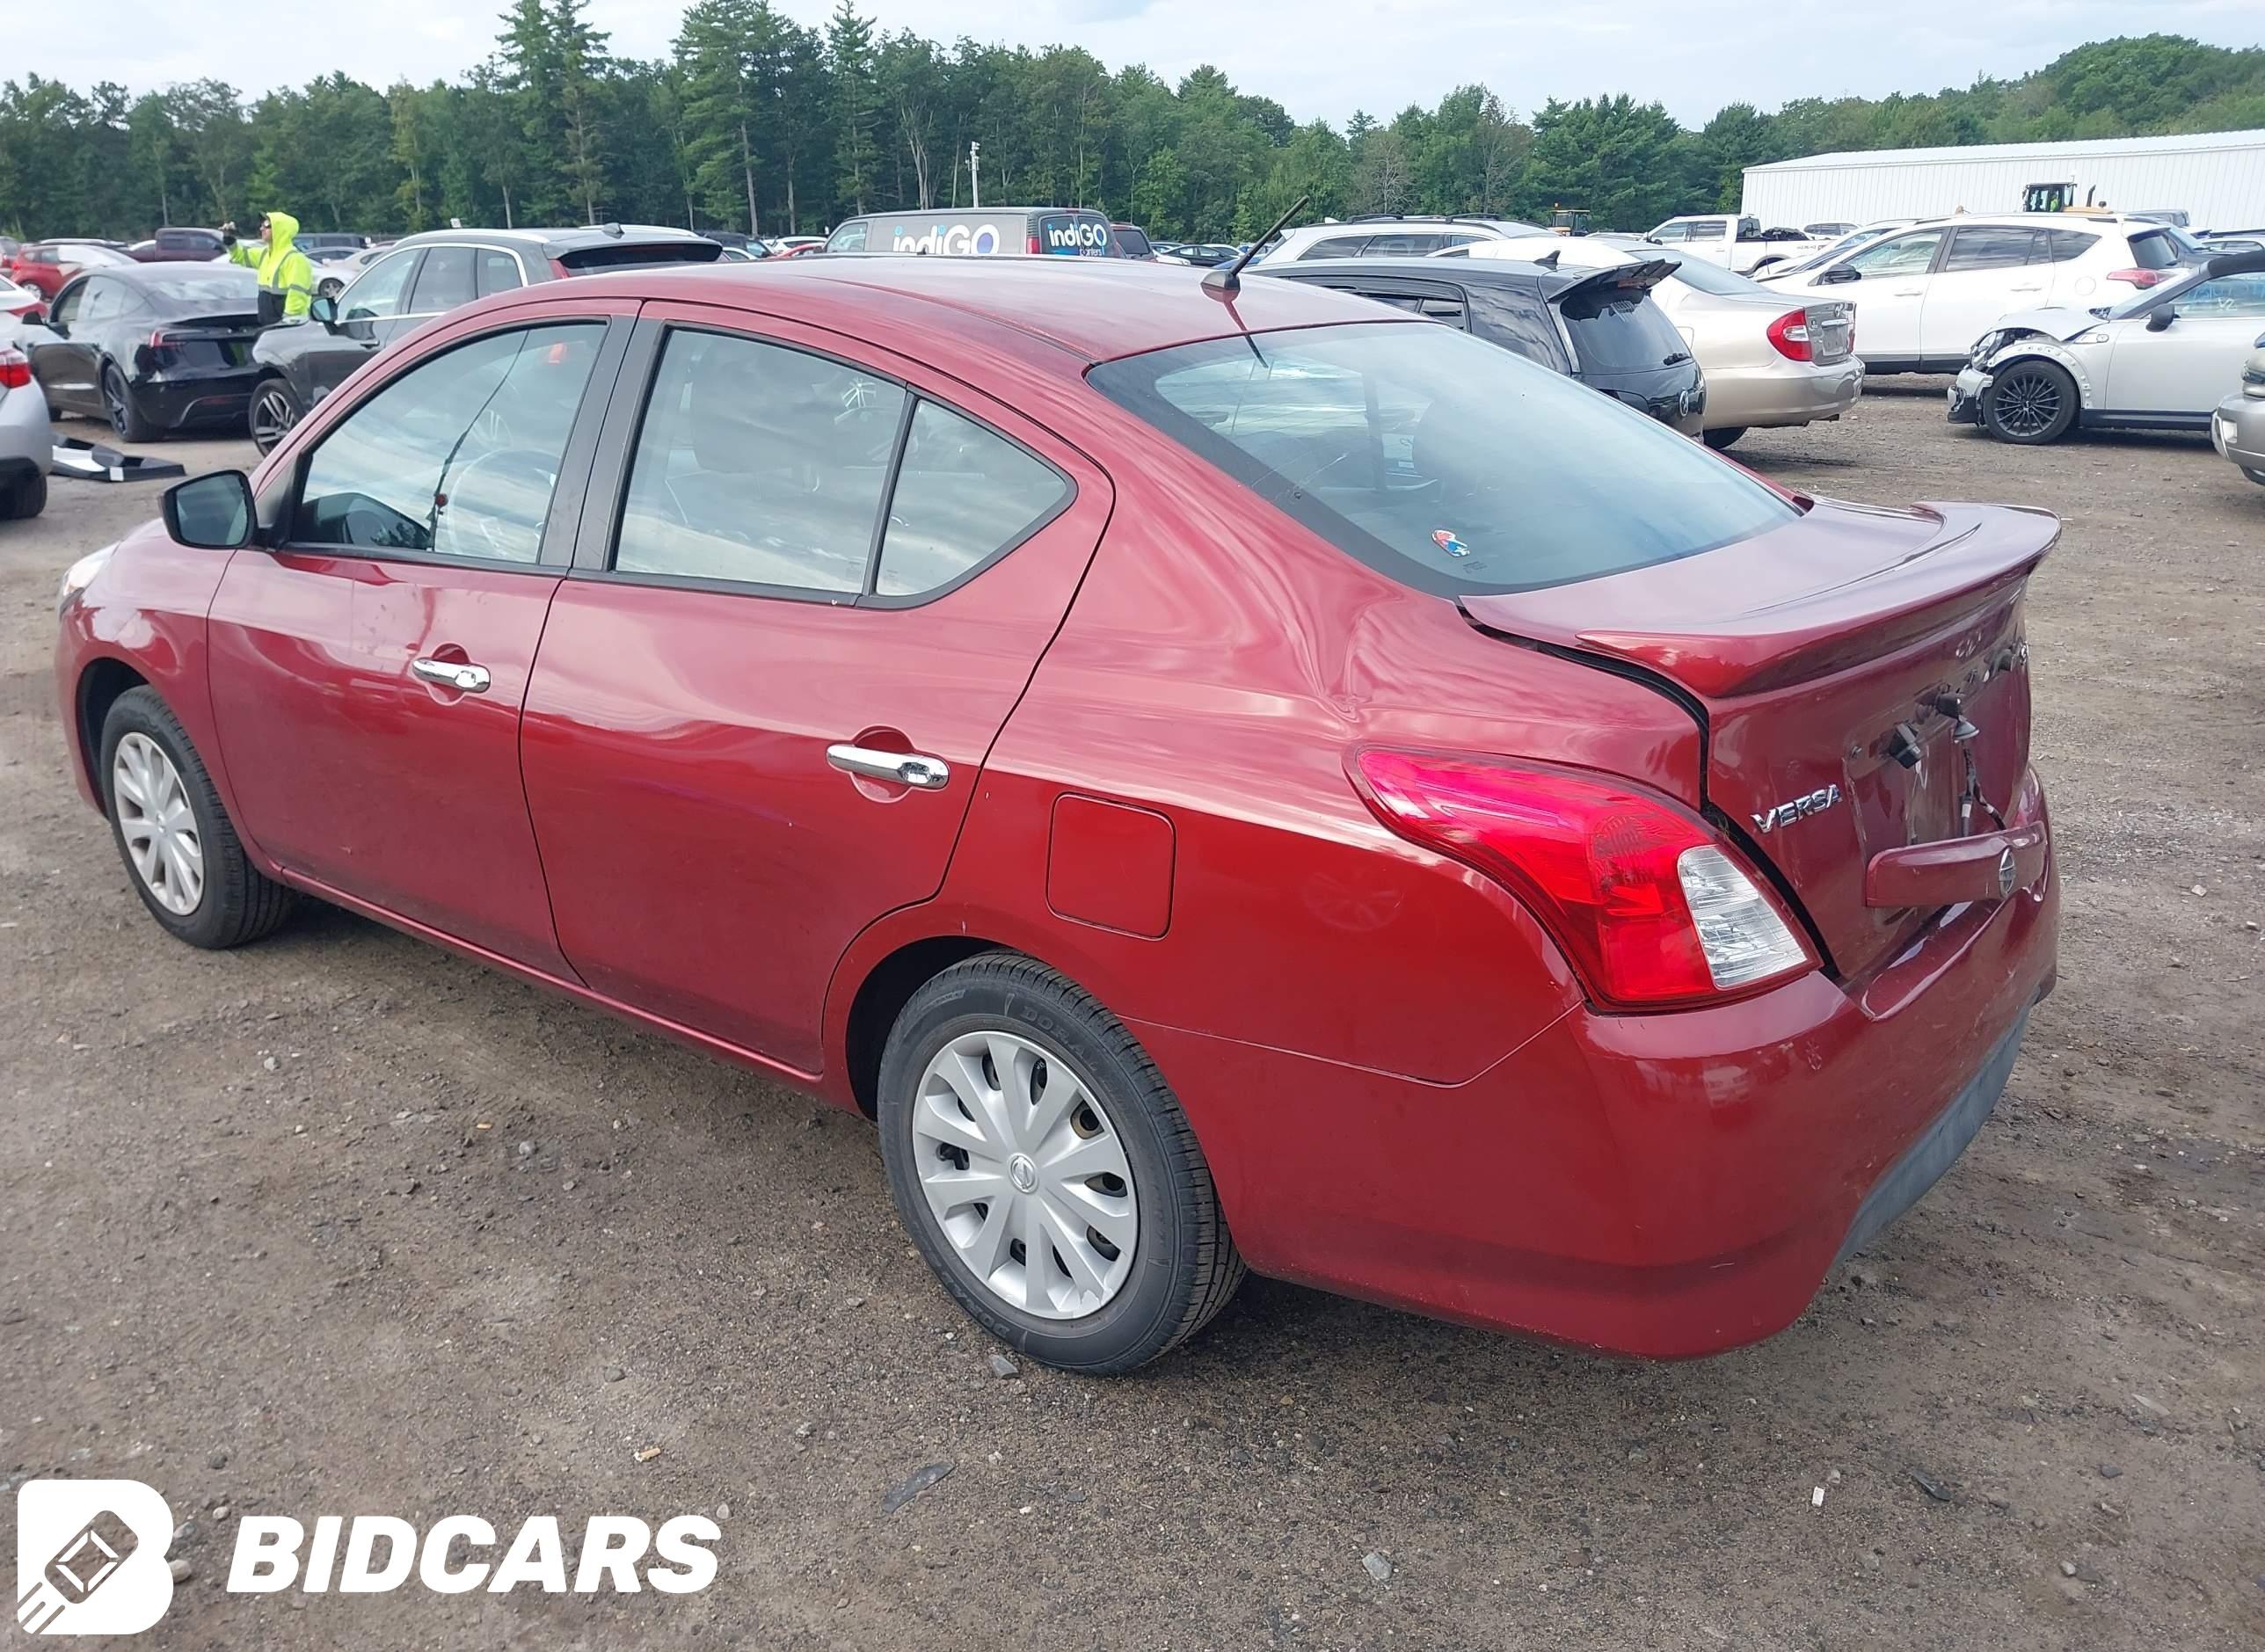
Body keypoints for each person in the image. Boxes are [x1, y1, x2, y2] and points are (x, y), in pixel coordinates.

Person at [219, 212, 314, 324]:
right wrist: (230, 239)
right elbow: (240, 256)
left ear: (280, 230)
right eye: (262, 225)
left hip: (286, 327)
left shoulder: (295, 259)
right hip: (270, 324)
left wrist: (289, 323)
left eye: (267, 226)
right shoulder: (266, 254)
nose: (261, 229)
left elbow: (297, 295)